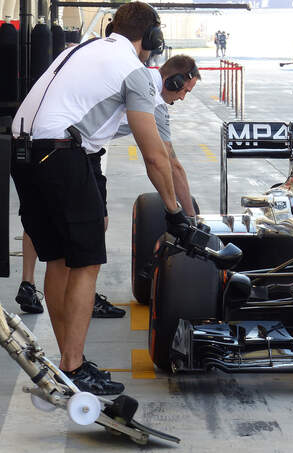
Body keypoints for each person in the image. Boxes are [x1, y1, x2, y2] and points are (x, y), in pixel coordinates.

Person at [10, 2, 192, 394]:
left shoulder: (77, 49)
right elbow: (155, 154)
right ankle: (74, 366)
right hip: (61, 155)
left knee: (59, 260)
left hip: (22, 152)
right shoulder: (135, 71)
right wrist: (175, 212)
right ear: (152, 39)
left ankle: (67, 362)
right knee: (87, 262)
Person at [116, 54, 201, 217]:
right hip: (73, 145)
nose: (182, 97)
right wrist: (190, 217)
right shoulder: (154, 101)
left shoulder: (139, 76)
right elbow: (170, 165)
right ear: (173, 82)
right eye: (185, 90)